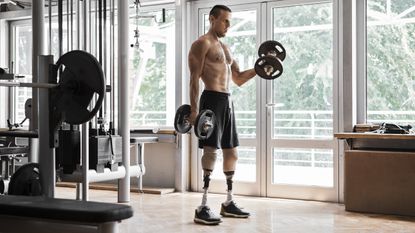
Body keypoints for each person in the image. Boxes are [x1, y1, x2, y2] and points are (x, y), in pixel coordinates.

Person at [188, 5, 257, 225]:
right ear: (212, 19)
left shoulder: (225, 49)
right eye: (225, 21)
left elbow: (238, 79)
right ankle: (203, 205)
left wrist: (261, 67)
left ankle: (228, 202)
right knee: (211, 152)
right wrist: (193, 111)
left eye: (229, 21)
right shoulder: (202, 44)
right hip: (211, 100)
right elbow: (194, 78)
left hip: (227, 102)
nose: (228, 25)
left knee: (232, 152)